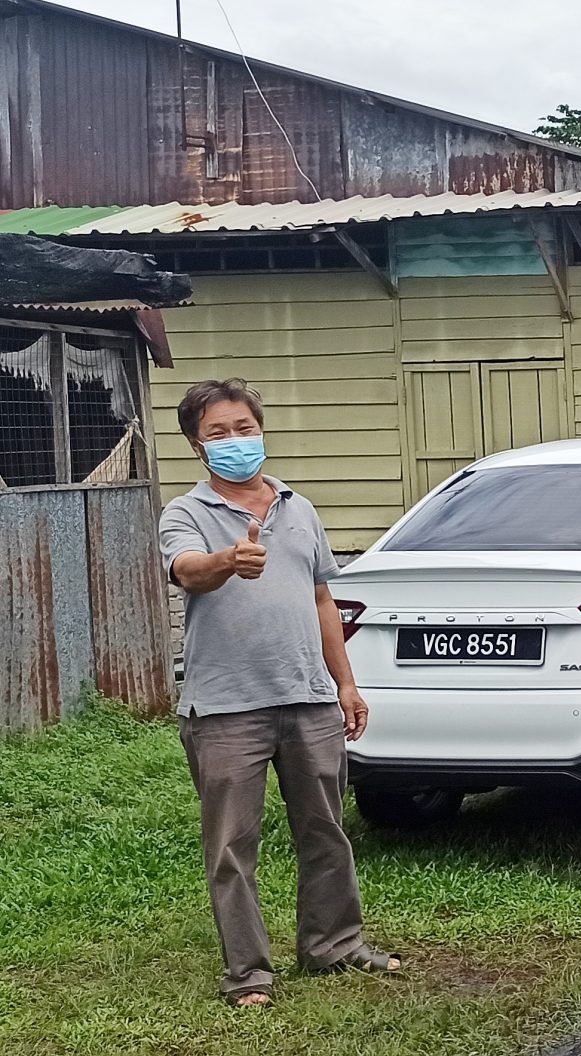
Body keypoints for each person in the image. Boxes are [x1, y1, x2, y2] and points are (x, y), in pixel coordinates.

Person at [161, 378, 402, 1007]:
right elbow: (186, 569)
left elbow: (323, 597)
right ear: (196, 444)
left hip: (309, 697)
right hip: (224, 708)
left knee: (325, 829)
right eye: (218, 432)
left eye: (244, 427)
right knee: (232, 846)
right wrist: (226, 563)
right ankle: (248, 975)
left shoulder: (299, 507)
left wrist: (344, 682)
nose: (236, 440)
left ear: (260, 429)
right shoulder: (185, 514)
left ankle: (334, 945)